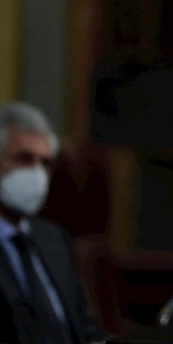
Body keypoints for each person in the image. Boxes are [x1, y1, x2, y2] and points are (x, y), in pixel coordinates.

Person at [0, 102, 107, 344]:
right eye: (23, 158)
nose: (36, 174)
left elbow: (84, 326)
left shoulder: (53, 238)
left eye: (45, 163)